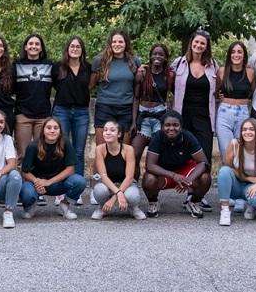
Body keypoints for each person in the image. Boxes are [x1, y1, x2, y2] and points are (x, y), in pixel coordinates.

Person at [171, 30, 218, 211]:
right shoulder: (179, 63)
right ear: (191, 43)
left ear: (206, 47)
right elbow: (169, 85)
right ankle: (189, 191)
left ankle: (199, 194)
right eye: (196, 42)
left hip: (205, 117)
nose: (199, 46)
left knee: (204, 156)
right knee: (187, 156)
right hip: (183, 116)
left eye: (203, 43)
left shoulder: (212, 65)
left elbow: (218, 89)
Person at [142, 111, 212, 218]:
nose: (171, 128)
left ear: (181, 127)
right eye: (167, 125)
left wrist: (188, 180)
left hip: (184, 172)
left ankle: (194, 202)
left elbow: (203, 162)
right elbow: (150, 165)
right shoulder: (157, 137)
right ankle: (153, 202)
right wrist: (173, 175)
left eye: (175, 125)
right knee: (149, 179)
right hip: (164, 173)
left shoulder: (188, 136)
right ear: (162, 127)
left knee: (205, 177)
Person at [20, 117, 87, 219]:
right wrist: (36, 181)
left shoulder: (65, 143)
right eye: (49, 128)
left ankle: (64, 205)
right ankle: (30, 206)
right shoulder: (33, 146)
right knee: (26, 191)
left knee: (80, 181)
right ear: (43, 130)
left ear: (60, 131)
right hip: (37, 185)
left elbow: (70, 169)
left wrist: (49, 182)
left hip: (58, 184)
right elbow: (25, 172)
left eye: (56, 128)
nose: (52, 130)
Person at [216, 118, 256, 226]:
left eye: (251, 129)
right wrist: (248, 178)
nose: (247, 132)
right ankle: (225, 210)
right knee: (224, 171)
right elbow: (228, 167)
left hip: (250, 187)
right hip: (235, 184)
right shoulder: (235, 144)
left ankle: (251, 206)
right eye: (244, 129)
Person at [132, 43, 174, 180]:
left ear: (166, 58)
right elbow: (136, 97)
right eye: (155, 53)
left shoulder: (169, 75)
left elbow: (174, 95)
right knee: (134, 153)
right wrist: (134, 122)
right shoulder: (143, 72)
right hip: (143, 117)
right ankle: (133, 184)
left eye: (161, 54)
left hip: (159, 118)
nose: (157, 56)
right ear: (150, 55)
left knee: (156, 156)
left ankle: (153, 186)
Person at [91, 30, 141, 145]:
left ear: (126, 44)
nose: (117, 44)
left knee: (124, 150)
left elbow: (137, 92)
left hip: (126, 108)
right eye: (114, 41)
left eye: (120, 41)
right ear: (110, 43)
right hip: (104, 107)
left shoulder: (134, 61)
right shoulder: (100, 61)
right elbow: (90, 85)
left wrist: (134, 120)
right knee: (102, 148)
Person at [52, 36, 92, 179]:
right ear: (67, 49)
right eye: (72, 46)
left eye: (78, 46)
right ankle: (60, 189)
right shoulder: (58, 67)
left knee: (79, 151)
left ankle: (78, 185)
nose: (75, 49)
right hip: (61, 111)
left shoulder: (88, 67)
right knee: (61, 148)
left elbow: (89, 87)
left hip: (81, 113)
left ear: (82, 50)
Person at [91, 121, 146, 220]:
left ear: (119, 134)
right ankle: (102, 207)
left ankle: (133, 208)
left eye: (112, 130)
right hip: (108, 184)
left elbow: (129, 177)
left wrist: (114, 197)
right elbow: (103, 176)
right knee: (99, 190)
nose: (107, 133)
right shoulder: (100, 149)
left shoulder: (128, 149)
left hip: (126, 184)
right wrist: (119, 193)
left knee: (132, 196)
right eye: (105, 130)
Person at [13, 33, 55, 158]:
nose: (34, 46)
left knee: (42, 154)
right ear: (25, 47)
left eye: (37, 44)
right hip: (22, 115)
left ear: (41, 48)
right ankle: (21, 178)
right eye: (30, 43)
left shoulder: (50, 65)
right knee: (23, 154)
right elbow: (6, 87)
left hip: (43, 116)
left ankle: (40, 178)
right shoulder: (16, 65)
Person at [215, 41, 254, 160]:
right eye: (233, 52)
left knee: (241, 152)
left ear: (244, 55)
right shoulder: (222, 71)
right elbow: (216, 93)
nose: (236, 55)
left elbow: (252, 93)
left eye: (239, 52)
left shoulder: (250, 72)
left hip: (243, 114)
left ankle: (240, 178)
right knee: (226, 152)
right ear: (229, 55)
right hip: (224, 114)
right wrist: (218, 96)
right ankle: (226, 177)